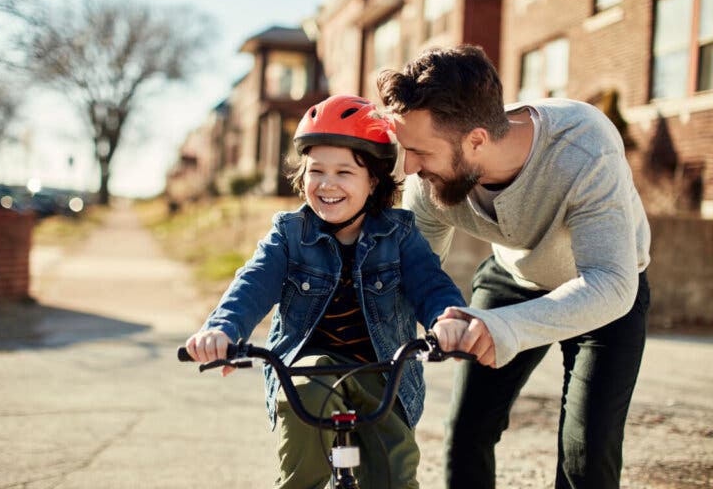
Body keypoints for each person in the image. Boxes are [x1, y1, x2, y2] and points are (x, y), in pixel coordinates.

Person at [377, 45, 651, 489]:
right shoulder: (426, 180)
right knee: (466, 435)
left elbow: (613, 283)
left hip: (604, 290)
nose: (408, 167)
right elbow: (409, 277)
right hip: (514, 277)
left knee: (587, 452)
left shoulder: (584, 149)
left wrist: (501, 328)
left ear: (477, 140)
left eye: (420, 153)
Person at [184, 94, 467, 489]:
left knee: (394, 474)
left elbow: (431, 285)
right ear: (303, 177)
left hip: (383, 367)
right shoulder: (289, 235)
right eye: (316, 171)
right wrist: (224, 329)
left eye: (344, 173)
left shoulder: (400, 235)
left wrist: (448, 319)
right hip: (307, 365)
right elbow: (252, 283)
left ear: (374, 182)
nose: (327, 184)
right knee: (307, 411)